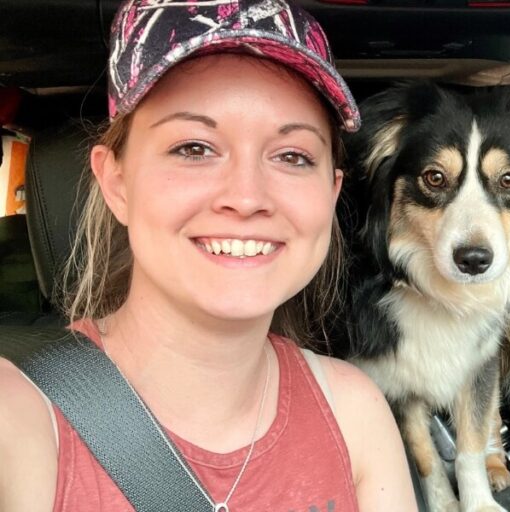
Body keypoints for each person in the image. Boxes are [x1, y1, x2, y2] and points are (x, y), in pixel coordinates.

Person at [0, 1, 416, 510]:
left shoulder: (356, 413)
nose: (245, 197)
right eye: (194, 148)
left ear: (330, 194)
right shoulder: (18, 415)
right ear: (116, 182)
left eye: (292, 156)